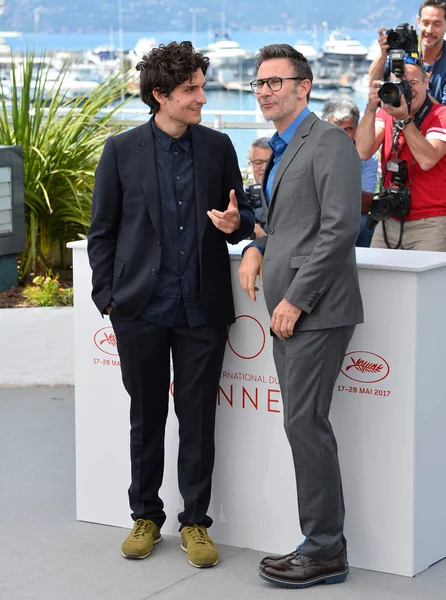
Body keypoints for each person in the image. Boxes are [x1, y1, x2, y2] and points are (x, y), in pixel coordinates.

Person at [87, 41, 254, 569]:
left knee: (198, 418)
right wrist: (107, 297)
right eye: (192, 90)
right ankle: (145, 515)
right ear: (160, 95)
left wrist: (239, 227)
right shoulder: (120, 150)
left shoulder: (219, 146)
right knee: (147, 416)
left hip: (201, 309)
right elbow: (103, 232)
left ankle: (196, 523)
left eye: (202, 87)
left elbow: (241, 215)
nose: (203, 97)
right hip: (139, 308)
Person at [239, 44, 363, 589]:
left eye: (275, 82)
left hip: (312, 310)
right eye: (259, 83)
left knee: (305, 425)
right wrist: (247, 237)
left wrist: (296, 299)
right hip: (289, 311)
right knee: (302, 425)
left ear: (304, 86)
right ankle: (321, 544)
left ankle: (324, 549)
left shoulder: (330, 141)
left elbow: (338, 229)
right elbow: (286, 225)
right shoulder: (284, 146)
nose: (266, 90)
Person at [356, 58, 446, 250]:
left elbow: (427, 159)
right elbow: (362, 151)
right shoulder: (386, 112)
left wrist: (404, 120)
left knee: (427, 281)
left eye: (412, 83)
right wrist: (371, 108)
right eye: (399, 84)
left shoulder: (441, 115)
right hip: (389, 217)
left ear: (426, 81)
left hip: (430, 222)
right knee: (379, 279)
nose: (406, 89)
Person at [321, 98, 378, 247]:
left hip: (352, 218)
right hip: (319, 218)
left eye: (348, 129)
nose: (341, 135)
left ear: (357, 129)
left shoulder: (368, 158)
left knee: (366, 225)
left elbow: (366, 205)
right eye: (336, 129)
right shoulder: (313, 151)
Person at [369, 0, 446, 104]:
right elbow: (373, 84)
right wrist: (383, 54)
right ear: (418, 22)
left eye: (437, 24)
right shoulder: (404, 49)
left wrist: (419, 92)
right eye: (425, 23)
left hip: (434, 120)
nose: (429, 30)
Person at [246, 137, 272, 238]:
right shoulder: (240, 195)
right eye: (258, 163)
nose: (264, 167)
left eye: (270, 162)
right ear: (250, 164)